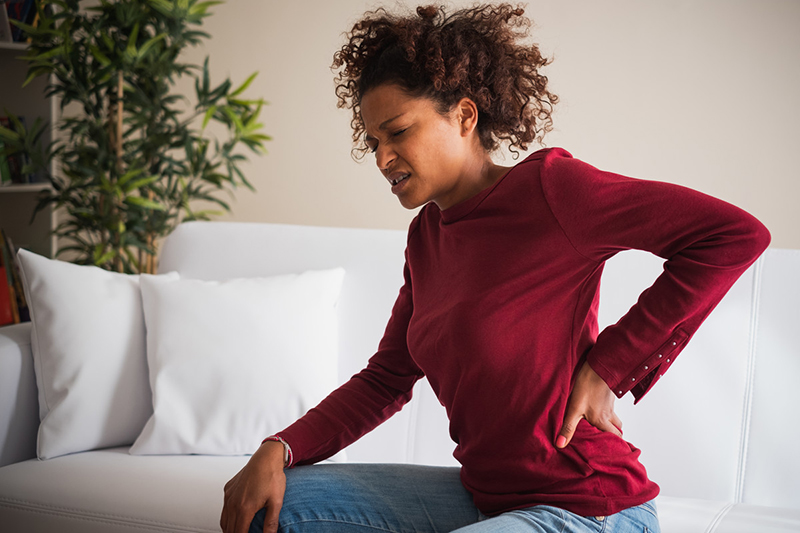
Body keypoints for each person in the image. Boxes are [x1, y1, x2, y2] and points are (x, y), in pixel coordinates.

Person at [220, 4, 770, 533]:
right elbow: (387, 378)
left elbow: (732, 235)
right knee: (274, 509)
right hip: (485, 499)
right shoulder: (427, 237)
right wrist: (280, 447)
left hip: (590, 509)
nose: (383, 158)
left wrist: (610, 365)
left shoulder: (553, 191)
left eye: (398, 132)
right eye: (374, 142)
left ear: (463, 115)